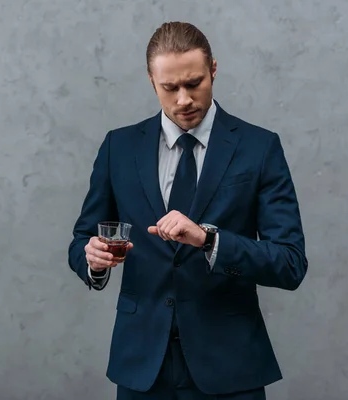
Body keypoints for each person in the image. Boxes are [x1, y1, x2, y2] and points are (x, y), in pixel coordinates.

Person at [67, 21, 308, 399]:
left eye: (194, 83)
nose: (184, 100)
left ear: (213, 69)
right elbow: (82, 239)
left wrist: (208, 239)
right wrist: (92, 260)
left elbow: (290, 263)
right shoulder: (119, 147)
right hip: (141, 365)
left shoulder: (259, 148)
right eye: (170, 87)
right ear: (151, 81)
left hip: (231, 366)